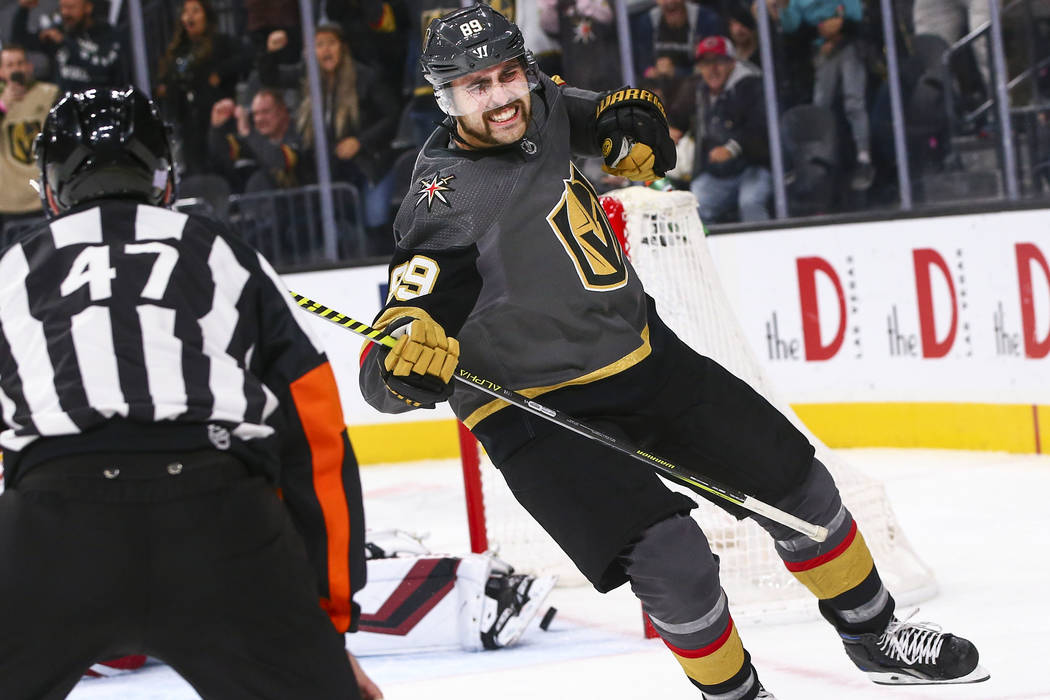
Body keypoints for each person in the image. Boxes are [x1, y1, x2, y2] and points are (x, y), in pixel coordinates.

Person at [358, 5, 988, 699]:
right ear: (446, 99)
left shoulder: (536, 107)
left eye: (510, 73)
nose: (503, 96)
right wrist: (400, 363)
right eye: (479, 86)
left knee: (802, 491)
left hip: (639, 356)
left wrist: (632, 122)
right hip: (532, 410)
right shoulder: (445, 201)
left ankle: (876, 636)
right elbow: (397, 343)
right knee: (673, 560)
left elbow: (605, 119)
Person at [0, 86, 382, 700]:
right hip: (219, 524)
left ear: (50, 188)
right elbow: (315, 433)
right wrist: (325, 630)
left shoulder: (13, 270)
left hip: (53, 530)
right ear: (166, 179)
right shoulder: (226, 252)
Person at [259, 23, 401, 253]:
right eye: (320, 45)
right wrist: (271, 52)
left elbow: (392, 116)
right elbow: (270, 76)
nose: (326, 50)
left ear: (342, 47)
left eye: (331, 43)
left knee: (373, 222)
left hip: (368, 166)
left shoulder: (365, 76)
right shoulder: (308, 76)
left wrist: (360, 142)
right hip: (332, 170)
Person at [774, 0, 877, 191]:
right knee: (821, 106)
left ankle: (864, 157)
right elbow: (792, 28)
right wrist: (784, 8)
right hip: (821, 51)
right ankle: (820, 160)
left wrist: (841, 30)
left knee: (854, 102)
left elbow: (858, 19)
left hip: (849, 46)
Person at [668, 36, 771, 223]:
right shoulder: (698, 87)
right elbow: (678, 114)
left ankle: (762, 251)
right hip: (718, 172)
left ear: (732, 63)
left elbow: (760, 128)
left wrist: (732, 148)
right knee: (696, 205)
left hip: (754, 167)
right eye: (706, 64)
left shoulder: (751, 84)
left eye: (718, 62)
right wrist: (672, 129)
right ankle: (705, 251)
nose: (712, 69)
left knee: (750, 202)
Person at [155, 0, 253, 177]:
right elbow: (169, 78)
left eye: (195, 11)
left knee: (218, 165)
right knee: (192, 168)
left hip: (216, 120)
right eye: (186, 12)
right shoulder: (178, 51)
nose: (189, 16)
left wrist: (220, 72)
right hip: (187, 122)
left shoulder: (220, 42)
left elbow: (247, 57)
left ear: (207, 17)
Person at [0, 43, 59, 240]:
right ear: (1, 71)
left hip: (41, 198)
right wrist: (3, 105)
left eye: (20, 63)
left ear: (29, 66)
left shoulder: (49, 94)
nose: (16, 69)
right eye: (9, 65)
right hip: (8, 204)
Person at [11, 0, 126, 94]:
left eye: (71, 8)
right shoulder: (58, 31)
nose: (65, 13)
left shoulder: (107, 33)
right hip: (64, 107)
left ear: (88, 7)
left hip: (98, 104)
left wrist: (66, 43)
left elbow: (102, 69)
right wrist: (23, 10)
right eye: (62, 7)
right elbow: (20, 41)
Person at [208, 89, 306, 192]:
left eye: (265, 112)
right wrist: (217, 128)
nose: (259, 119)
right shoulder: (254, 141)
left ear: (282, 111)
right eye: (255, 114)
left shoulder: (299, 135)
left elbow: (280, 160)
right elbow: (222, 155)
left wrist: (247, 132)